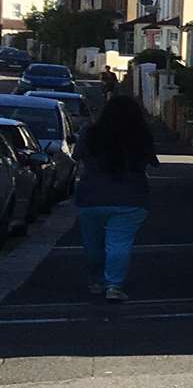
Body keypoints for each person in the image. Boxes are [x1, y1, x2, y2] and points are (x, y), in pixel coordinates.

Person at [74, 95, 158, 302]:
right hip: (131, 197)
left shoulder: (90, 133)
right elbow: (150, 161)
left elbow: (78, 156)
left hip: (92, 195)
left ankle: (96, 280)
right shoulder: (140, 135)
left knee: (92, 243)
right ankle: (113, 284)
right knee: (119, 243)